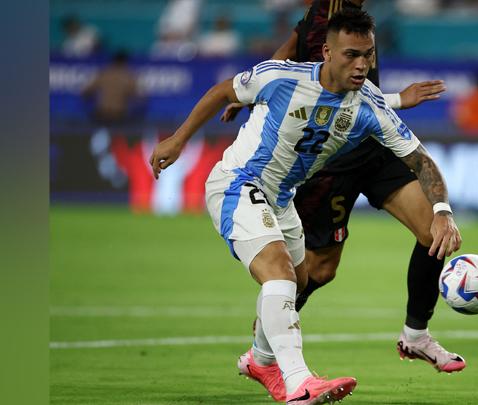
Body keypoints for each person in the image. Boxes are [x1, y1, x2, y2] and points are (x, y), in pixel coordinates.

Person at [150, 9, 462, 404]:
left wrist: (442, 212)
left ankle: (261, 361)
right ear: (326, 52)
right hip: (238, 183)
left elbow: (421, 160)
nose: (362, 64)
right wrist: (177, 140)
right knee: (279, 275)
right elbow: (223, 91)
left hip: (282, 198)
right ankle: (300, 382)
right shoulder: (281, 76)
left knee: (300, 280)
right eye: (352, 54)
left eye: (368, 54)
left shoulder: (370, 105)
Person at [223, 0, 466, 378]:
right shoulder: (321, 14)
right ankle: (265, 345)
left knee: (432, 231)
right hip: (328, 153)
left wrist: (399, 101)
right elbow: (290, 63)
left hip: (373, 140)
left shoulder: (361, 21)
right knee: (320, 269)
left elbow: (357, 96)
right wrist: (251, 94)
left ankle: (416, 334)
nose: (362, 59)